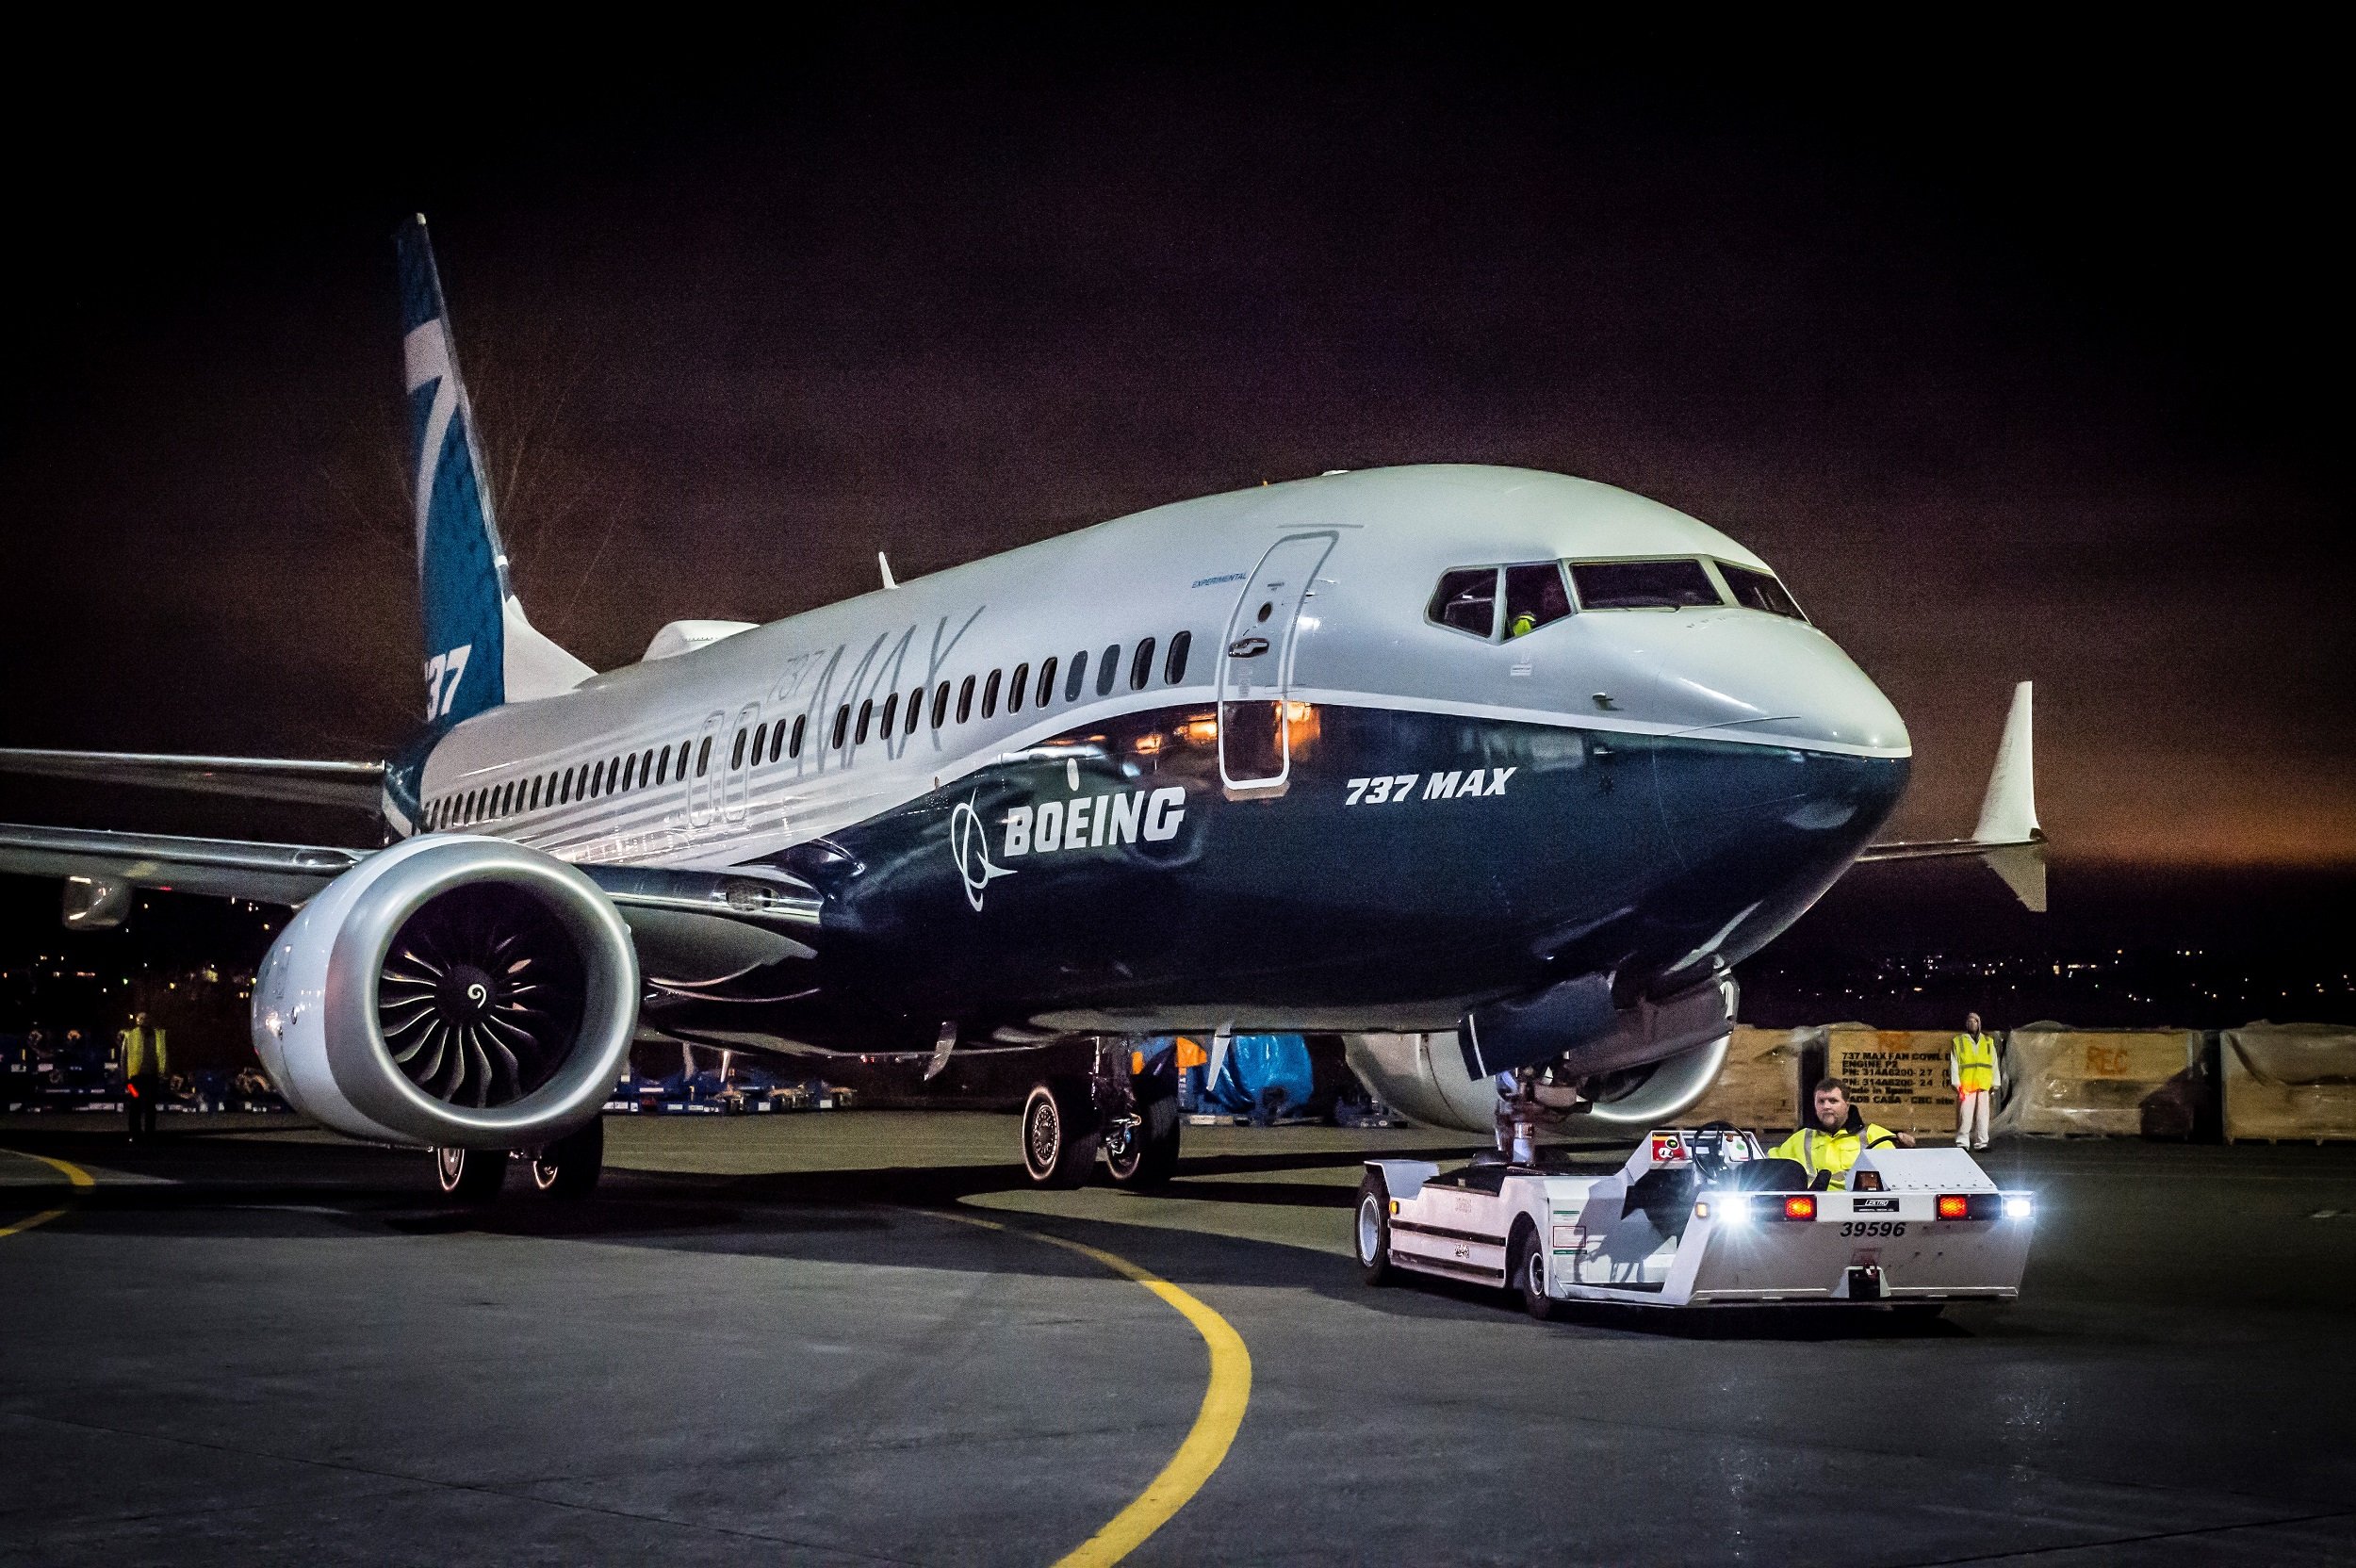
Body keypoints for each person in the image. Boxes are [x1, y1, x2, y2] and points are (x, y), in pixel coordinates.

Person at [1767, 1076, 1914, 1190]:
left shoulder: (1873, 1134)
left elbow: (1898, 1169)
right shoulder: (1801, 1137)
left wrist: (1906, 1149)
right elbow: (1770, 1163)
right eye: (1821, 1101)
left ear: (1847, 1105)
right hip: (1814, 1210)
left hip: (1860, 1209)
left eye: (1833, 1101)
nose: (1826, 1106)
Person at [1951, 1012, 2001, 1152]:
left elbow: (1993, 1062)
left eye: (1974, 1021)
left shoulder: (1988, 1042)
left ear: (1979, 1024)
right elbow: (1954, 1063)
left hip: (1984, 1084)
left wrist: (1995, 1083)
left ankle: (1982, 1143)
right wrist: (1956, 1083)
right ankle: (1962, 1142)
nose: (1972, 1024)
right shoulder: (1959, 1041)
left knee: (1983, 1116)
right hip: (1967, 1084)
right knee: (1964, 1115)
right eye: (1969, 1021)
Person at [119, 1010, 168, 1142]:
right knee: (135, 1105)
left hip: (152, 1077)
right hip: (135, 1079)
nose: (143, 1021)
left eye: (145, 1018)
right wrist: (125, 1078)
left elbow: (163, 1054)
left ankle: (149, 1134)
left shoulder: (158, 1035)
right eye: (140, 1018)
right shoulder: (131, 1036)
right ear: (137, 1020)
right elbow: (124, 1057)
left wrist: (163, 1073)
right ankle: (135, 1133)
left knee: (150, 1106)